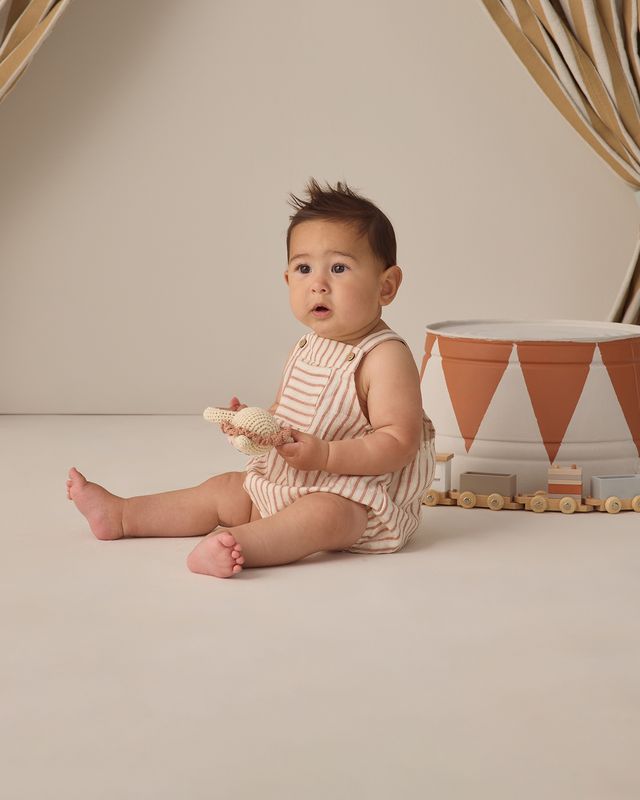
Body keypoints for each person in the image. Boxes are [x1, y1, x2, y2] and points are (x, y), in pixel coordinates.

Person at [66, 178, 436, 578]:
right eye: (304, 268)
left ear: (387, 286)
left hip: (357, 501)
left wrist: (327, 456)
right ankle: (123, 515)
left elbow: (399, 442)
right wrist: (257, 426)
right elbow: (287, 413)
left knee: (322, 515)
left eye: (339, 268)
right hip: (288, 482)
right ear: (288, 280)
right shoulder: (307, 346)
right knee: (224, 488)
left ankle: (240, 545)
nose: (318, 283)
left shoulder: (383, 356)